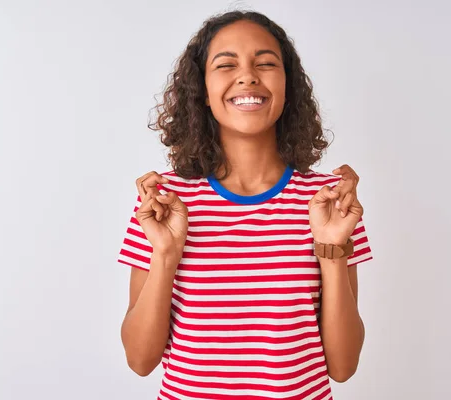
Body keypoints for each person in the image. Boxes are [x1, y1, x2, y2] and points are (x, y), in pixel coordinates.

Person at [117, 10, 373, 400]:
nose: (248, 75)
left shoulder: (329, 201)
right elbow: (140, 359)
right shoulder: (164, 202)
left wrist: (332, 250)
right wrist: (166, 252)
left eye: (266, 63)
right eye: (226, 64)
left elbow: (342, 367)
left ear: (288, 86)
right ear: (202, 89)